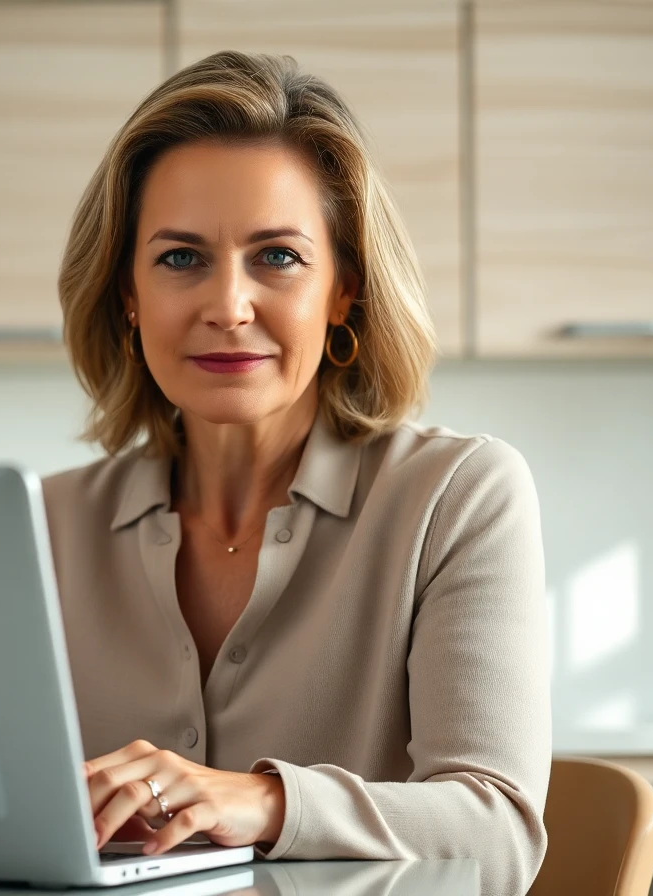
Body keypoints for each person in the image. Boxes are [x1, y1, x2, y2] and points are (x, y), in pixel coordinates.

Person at [42, 51, 550, 896]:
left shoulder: (459, 495)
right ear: (127, 294)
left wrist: (268, 802)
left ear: (343, 289)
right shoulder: (44, 525)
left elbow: (496, 834)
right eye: (180, 259)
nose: (227, 306)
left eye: (276, 257)